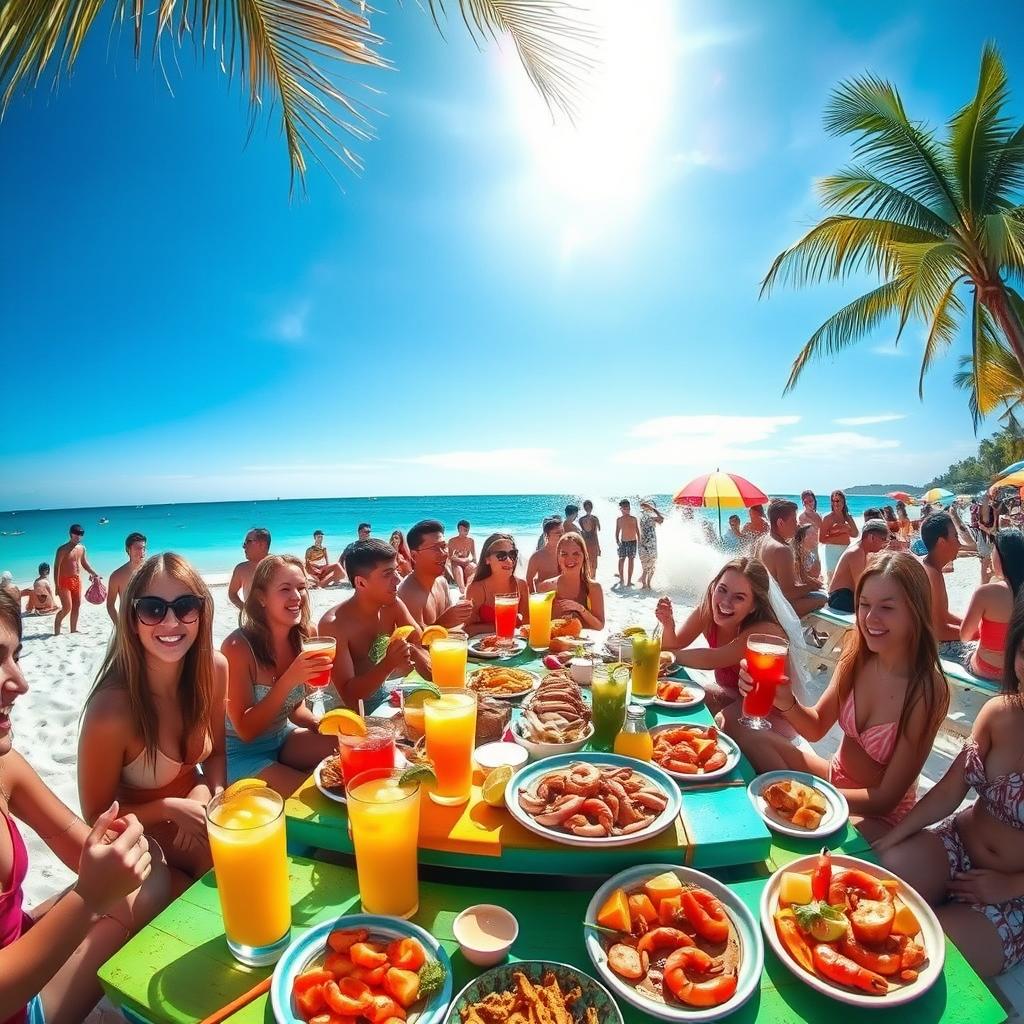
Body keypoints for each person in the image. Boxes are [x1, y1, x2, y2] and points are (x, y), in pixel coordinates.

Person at [0, 590, 169, 1024]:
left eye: (16, 656)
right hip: (14, 1004)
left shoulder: (4, 765)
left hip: (16, 938)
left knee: (150, 877)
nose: (20, 683)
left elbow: (81, 842)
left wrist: (116, 851)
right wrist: (90, 896)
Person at [734, 552, 949, 841]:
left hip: (875, 814)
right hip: (833, 778)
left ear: (916, 611)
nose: (870, 618)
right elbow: (816, 727)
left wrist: (814, 796)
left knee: (817, 834)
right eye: (864, 604)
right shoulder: (857, 654)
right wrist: (784, 701)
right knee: (740, 730)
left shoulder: (926, 690)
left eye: (887, 607)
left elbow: (885, 799)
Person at [875, 595, 1024, 977]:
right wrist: (894, 839)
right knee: (874, 889)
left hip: (1015, 896)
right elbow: (948, 791)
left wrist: (1010, 885)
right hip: (955, 845)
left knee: (925, 957)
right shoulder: (1000, 713)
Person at [79, 553, 227, 888]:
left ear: (202, 614)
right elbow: (96, 817)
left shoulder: (214, 671)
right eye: (152, 609)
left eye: (186, 606)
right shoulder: (112, 710)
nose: (171, 622)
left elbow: (217, 754)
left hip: (198, 814)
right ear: (132, 620)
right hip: (138, 838)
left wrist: (212, 796)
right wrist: (168, 808)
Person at [222, 555, 339, 793]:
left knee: (350, 747)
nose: (297, 596)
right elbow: (245, 731)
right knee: (312, 796)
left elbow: (294, 708)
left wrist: (317, 723)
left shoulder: (306, 635)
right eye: (285, 589)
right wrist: (289, 680)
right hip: (239, 753)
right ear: (261, 597)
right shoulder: (237, 647)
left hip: (282, 738)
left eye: (301, 587)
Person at [656, 558, 786, 717]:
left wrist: (662, 656)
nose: (725, 602)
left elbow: (713, 659)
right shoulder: (708, 611)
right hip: (732, 700)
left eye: (739, 597)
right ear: (714, 587)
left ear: (754, 606)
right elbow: (673, 647)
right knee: (671, 698)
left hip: (766, 713)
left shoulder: (764, 632)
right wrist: (668, 625)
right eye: (722, 590)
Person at [318, 541, 431, 712]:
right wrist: (389, 664)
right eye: (388, 574)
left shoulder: (393, 605)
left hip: (383, 694)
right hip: (346, 713)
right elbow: (349, 695)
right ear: (361, 583)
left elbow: (420, 644)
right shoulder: (334, 624)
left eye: (396, 571)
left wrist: (413, 652)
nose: (398, 579)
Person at [959, 529, 1024, 681]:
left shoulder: (985, 593)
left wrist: (983, 582)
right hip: (1020, 671)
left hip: (989, 669)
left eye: (993, 551)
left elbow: (965, 636)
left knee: (955, 651)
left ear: (1001, 558)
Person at [754, 499, 826, 617]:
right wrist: (811, 587)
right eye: (794, 520)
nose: (797, 525)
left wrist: (807, 582)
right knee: (823, 599)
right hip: (777, 609)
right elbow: (788, 594)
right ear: (780, 523)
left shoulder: (763, 540)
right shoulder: (782, 550)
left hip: (765, 604)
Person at [398, 520, 474, 630]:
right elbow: (414, 639)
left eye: (444, 546)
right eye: (435, 548)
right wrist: (443, 622)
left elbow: (451, 629)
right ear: (414, 556)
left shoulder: (441, 582)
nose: (444, 554)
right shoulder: (409, 593)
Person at [920, 512, 969, 664]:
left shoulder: (930, 567)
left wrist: (971, 626)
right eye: (955, 537)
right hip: (928, 646)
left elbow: (943, 615)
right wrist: (979, 634)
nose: (959, 544)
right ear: (942, 542)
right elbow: (939, 631)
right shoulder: (932, 574)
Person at [466, 534, 530, 636]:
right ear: (487, 559)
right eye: (501, 556)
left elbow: (527, 624)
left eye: (512, 554)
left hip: (514, 642)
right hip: (483, 644)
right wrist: (507, 625)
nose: (509, 560)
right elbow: (468, 629)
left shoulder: (521, 585)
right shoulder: (477, 589)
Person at [537, 533, 605, 630]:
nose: (570, 559)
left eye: (576, 553)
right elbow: (540, 625)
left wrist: (581, 609)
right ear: (558, 557)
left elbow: (599, 626)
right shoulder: (546, 587)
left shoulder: (594, 588)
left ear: (584, 556)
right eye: (564, 554)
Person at [827, 520, 890, 613]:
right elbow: (860, 585)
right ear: (871, 537)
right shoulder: (856, 553)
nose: (884, 544)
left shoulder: (863, 551)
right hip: (840, 597)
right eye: (883, 539)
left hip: (845, 595)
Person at [53, 524, 101, 635]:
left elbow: (84, 563)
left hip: (77, 580)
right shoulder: (62, 549)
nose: (78, 536)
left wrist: (94, 574)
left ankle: (73, 630)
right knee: (67, 607)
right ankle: (57, 627)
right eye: (76, 533)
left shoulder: (82, 548)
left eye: (80, 534)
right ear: (71, 534)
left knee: (76, 605)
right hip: (64, 581)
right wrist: (56, 585)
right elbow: (56, 567)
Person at [105, 532, 148, 625]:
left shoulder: (151, 571)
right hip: (127, 622)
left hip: (149, 620)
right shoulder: (117, 576)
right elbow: (110, 605)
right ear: (128, 550)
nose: (142, 552)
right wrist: (119, 625)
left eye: (143, 548)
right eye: (138, 548)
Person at [227, 528, 271, 612]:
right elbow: (232, 593)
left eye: (248, 542)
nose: (244, 546)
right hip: (252, 618)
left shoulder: (279, 566)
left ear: (262, 544)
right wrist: (245, 609)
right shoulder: (241, 569)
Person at [820, 490, 859, 582]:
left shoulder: (848, 517)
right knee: (832, 578)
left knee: (846, 577)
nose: (835, 503)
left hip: (845, 550)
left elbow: (855, 534)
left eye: (837, 501)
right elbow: (821, 539)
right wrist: (841, 531)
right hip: (831, 551)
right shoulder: (827, 518)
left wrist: (846, 529)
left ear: (843, 501)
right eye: (833, 501)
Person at [526, 518, 563, 592]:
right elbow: (529, 579)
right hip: (545, 595)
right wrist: (534, 595)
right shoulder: (537, 557)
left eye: (562, 532)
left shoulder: (566, 554)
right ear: (547, 535)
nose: (561, 535)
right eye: (557, 533)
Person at [637, 500, 664, 591]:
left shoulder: (652, 518)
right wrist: (649, 507)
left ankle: (648, 583)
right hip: (643, 543)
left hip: (651, 544)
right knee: (645, 565)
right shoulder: (641, 517)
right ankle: (644, 583)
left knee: (652, 564)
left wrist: (652, 509)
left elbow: (661, 519)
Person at [448, 521, 477, 595]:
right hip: (456, 565)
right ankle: (462, 590)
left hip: (466, 564)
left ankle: (469, 588)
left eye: (468, 530)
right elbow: (450, 557)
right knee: (458, 570)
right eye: (465, 530)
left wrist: (474, 564)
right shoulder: (452, 541)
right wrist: (461, 560)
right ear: (459, 529)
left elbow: (474, 557)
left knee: (473, 567)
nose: (467, 532)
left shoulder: (471, 541)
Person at [615, 500, 640, 587]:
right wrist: (617, 541)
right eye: (625, 508)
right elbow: (617, 531)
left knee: (631, 560)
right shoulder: (619, 520)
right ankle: (621, 579)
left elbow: (637, 531)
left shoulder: (634, 519)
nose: (627, 510)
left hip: (633, 542)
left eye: (628, 508)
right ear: (621, 509)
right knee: (621, 559)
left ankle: (629, 581)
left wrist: (639, 541)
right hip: (623, 542)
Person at [976, 492, 999, 584]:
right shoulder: (985, 508)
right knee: (986, 563)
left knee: (987, 563)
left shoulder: (991, 508)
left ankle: (985, 585)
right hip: (986, 538)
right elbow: (983, 525)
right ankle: (984, 585)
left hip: (987, 538)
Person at [793, 524, 822, 590]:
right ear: (802, 537)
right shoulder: (796, 555)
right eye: (812, 533)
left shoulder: (811, 555)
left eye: (816, 533)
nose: (816, 535)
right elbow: (801, 579)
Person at [578, 500, 602, 574]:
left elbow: (597, 531)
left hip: (591, 543)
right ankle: (590, 578)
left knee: (592, 564)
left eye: (589, 507)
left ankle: (592, 579)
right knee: (588, 563)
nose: (588, 509)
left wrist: (598, 547)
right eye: (587, 507)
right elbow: (597, 530)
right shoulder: (584, 519)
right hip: (587, 543)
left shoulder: (582, 519)